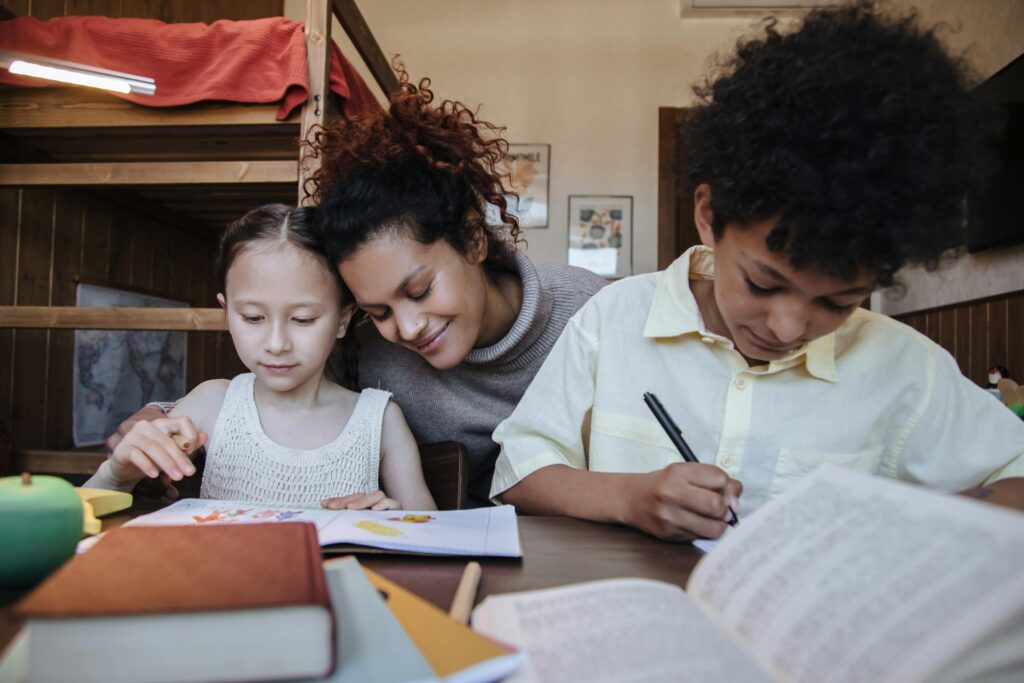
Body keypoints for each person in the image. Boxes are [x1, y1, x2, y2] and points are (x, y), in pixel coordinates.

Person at [490, 1, 1024, 540]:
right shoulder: (615, 318)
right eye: (763, 283)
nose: (788, 328)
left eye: (839, 303)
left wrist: (903, 525)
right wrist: (629, 497)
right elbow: (519, 472)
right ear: (708, 216)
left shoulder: (908, 368)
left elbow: (1013, 477)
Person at [302, 68, 606, 507]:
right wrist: (165, 419)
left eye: (420, 290)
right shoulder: (366, 351)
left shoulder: (588, 310)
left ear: (474, 239)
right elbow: (273, 394)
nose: (406, 329)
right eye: (379, 312)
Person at [86, 204, 436, 511]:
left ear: (343, 319)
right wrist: (116, 475)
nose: (277, 343)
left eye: (303, 320)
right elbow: (80, 522)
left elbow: (433, 538)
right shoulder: (212, 404)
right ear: (226, 311)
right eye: (253, 318)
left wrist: (393, 519)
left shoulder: (379, 420)